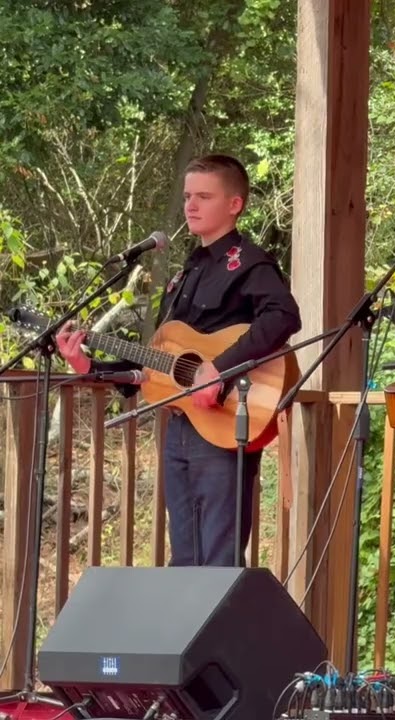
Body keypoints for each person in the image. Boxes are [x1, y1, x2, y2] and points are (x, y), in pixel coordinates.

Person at [55, 154, 302, 567]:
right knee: (185, 556)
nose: (190, 205)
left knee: (219, 558)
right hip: (181, 426)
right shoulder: (185, 273)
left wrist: (218, 368)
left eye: (203, 196)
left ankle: (224, 633)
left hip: (226, 422)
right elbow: (160, 364)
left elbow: (283, 316)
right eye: (188, 196)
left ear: (234, 204)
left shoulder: (250, 262)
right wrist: (88, 366)